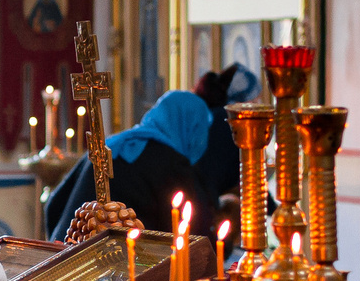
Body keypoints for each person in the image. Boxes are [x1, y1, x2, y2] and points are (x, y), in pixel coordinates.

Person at [42, 88, 234, 241]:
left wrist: (63, 240)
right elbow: (196, 236)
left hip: (63, 260)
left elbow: (54, 204)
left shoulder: (109, 144)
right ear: (192, 127)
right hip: (114, 274)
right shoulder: (172, 164)